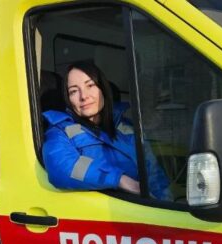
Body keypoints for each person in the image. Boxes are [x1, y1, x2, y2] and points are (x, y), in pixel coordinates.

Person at [42, 60, 170, 200]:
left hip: (143, 210)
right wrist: (120, 179)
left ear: (103, 88)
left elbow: (156, 177)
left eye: (90, 85)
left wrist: (165, 205)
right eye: (73, 91)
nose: (83, 96)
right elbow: (62, 167)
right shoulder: (59, 132)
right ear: (68, 99)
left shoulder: (128, 128)